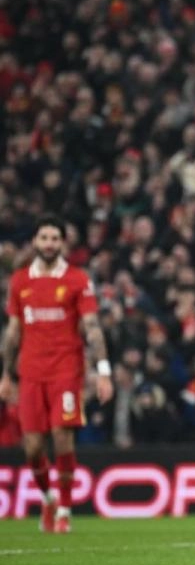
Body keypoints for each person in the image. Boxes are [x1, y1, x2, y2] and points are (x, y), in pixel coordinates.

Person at [1, 217, 115, 533]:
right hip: (30, 373)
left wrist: (103, 372)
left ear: (62, 243)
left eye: (54, 238)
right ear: (36, 241)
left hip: (66, 371)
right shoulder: (21, 281)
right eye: (44, 237)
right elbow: (12, 333)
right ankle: (49, 498)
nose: (49, 243)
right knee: (33, 447)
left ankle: (64, 510)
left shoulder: (77, 279)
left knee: (62, 437)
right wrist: (5, 375)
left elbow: (92, 328)